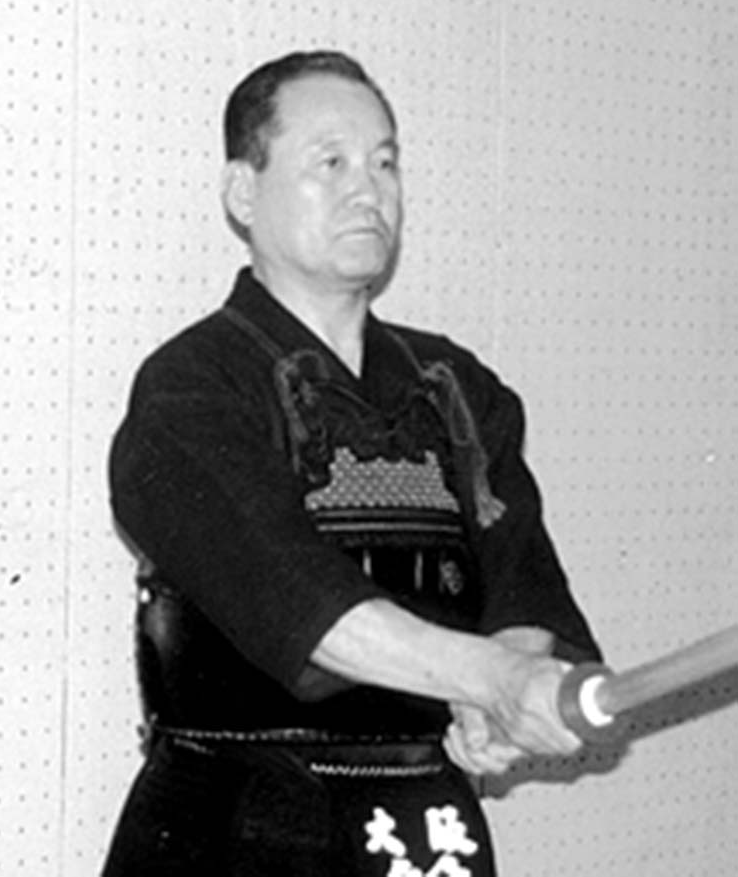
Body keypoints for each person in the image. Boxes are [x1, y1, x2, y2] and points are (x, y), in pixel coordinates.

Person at [101, 49, 601, 877]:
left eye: (385, 162)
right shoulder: (190, 387)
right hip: (238, 820)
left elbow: (519, 580)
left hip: (424, 813)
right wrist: (492, 676)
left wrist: (504, 690)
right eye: (329, 162)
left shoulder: (459, 387)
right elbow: (293, 595)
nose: (368, 189)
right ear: (243, 193)